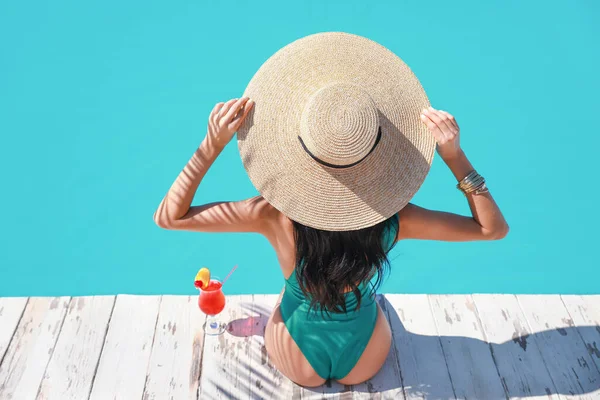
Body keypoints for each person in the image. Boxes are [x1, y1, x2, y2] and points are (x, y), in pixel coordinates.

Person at [153, 33, 508, 387]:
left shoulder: (273, 215)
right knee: (369, 302)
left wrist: (211, 145)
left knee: (295, 293)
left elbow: (170, 217)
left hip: (297, 353)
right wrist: (455, 157)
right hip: (365, 355)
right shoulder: (397, 219)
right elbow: (492, 229)